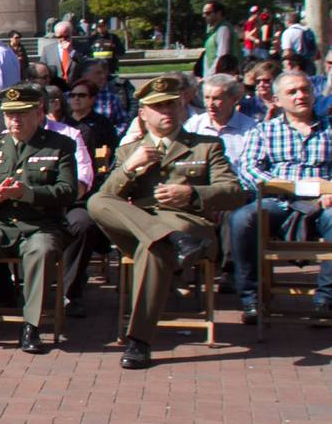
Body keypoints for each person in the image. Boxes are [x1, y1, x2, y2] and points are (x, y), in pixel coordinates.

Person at [88, 74, 244, 369]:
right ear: (143, 113)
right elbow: (105, 201)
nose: (167, 112)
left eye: (172, 104)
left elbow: (234, 193)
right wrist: (129, 170)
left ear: (183, 106)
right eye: (159, 107)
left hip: (189, 225)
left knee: (153, 248)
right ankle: (170, 239)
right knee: (97, 201)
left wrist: (192, 193)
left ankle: (139, 342)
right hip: (143, 227)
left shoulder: (206, 146)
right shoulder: (127, 152)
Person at [0, 84, 79, 354]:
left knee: (42, 250)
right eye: (10, 114)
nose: (15, 121)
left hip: (39, 224)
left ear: (39, 112)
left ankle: (31, 326)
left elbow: (69, 192)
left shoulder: (60, 145)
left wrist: (29, 193)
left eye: (22, 114)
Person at [230, 71, 332, 324]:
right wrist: (290, 187)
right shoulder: (263, 131)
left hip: (324, 203)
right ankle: (251, 299)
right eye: (292, 92)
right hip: (278, 200)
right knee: (242, 219)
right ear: (276, 99)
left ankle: (325, 299)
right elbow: (249, 169)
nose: (301, 96)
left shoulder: (329, 129)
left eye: (305, 90)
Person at [184, 73, 258, 172]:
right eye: (207, 98)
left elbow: (250, 167)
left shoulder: (250, 128)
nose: (210, 104)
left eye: (216, 99)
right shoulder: (193, 125)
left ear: (234, 99)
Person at [201, 1, 238, 76]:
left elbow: (222, 55)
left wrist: (211, 74)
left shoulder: (223, 29)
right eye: (203, 13)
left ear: (219, 13)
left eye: (208, 13)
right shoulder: (213, 31)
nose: (204, 16)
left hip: (221, 76)